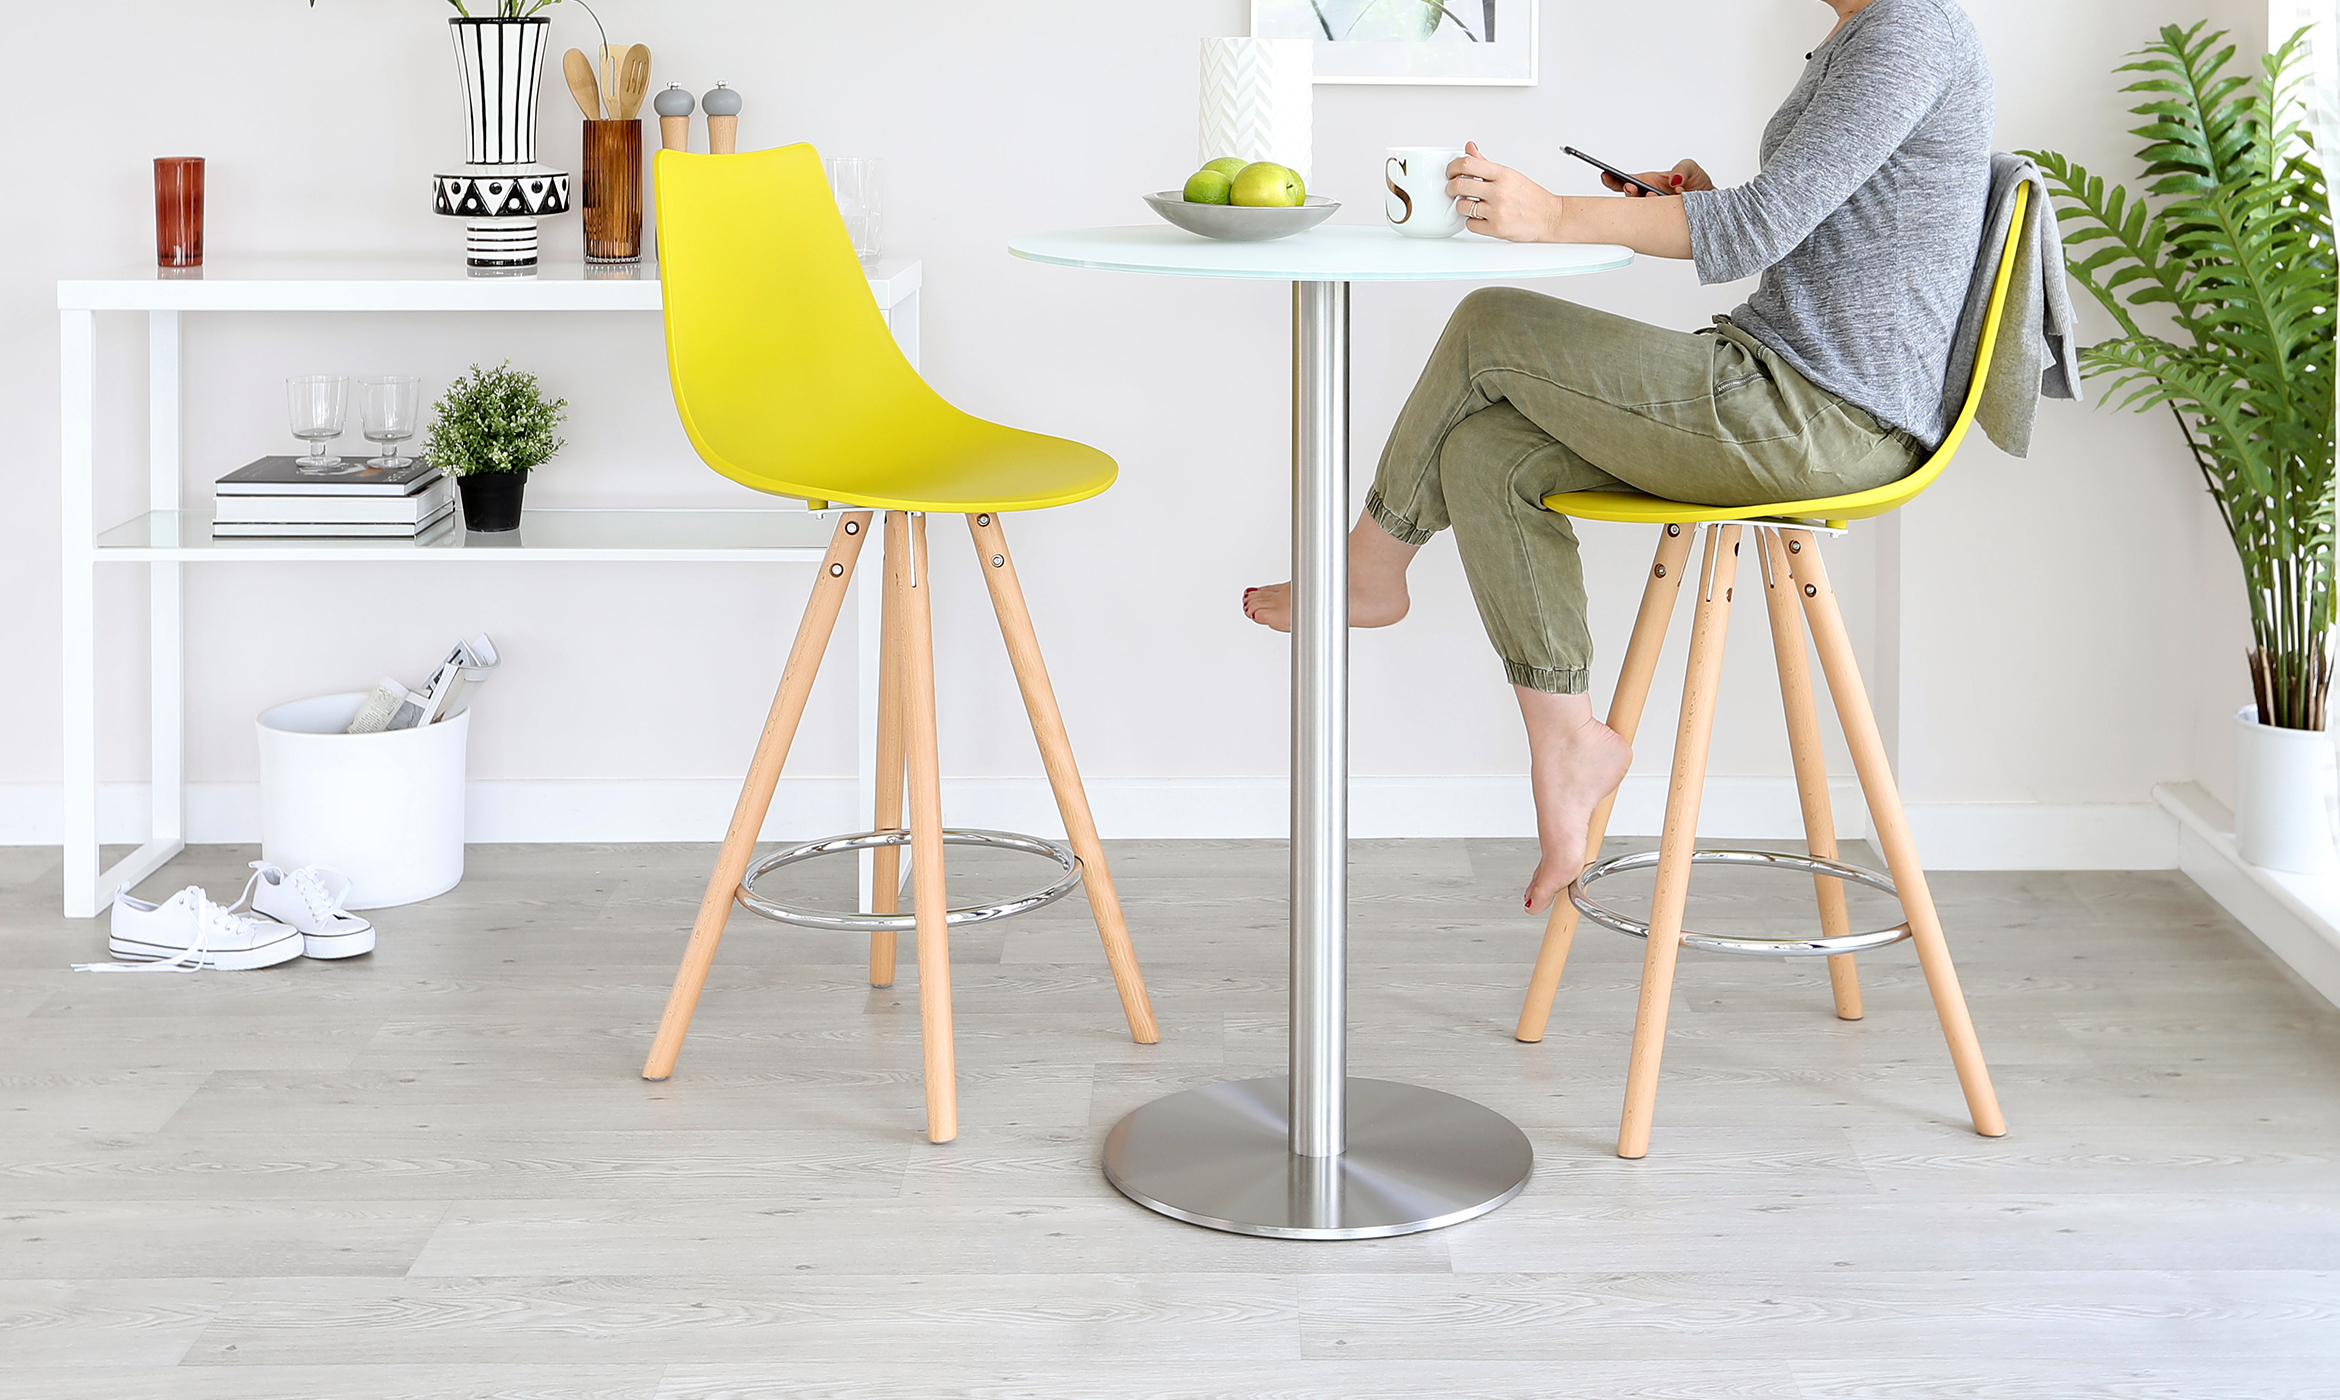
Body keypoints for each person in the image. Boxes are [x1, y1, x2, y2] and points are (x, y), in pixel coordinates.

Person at [1243, 0, 1993, 914]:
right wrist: (1694, 199)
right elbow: (1813, 222)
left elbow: (1761, 228)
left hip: (1819, 413)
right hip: (1783, 387)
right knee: (1486, 451)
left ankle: (1369, 568)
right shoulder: (1859, 33)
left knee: (1493, 325)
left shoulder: (1912, 29)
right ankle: (1568, 739)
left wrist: (1557, 213)